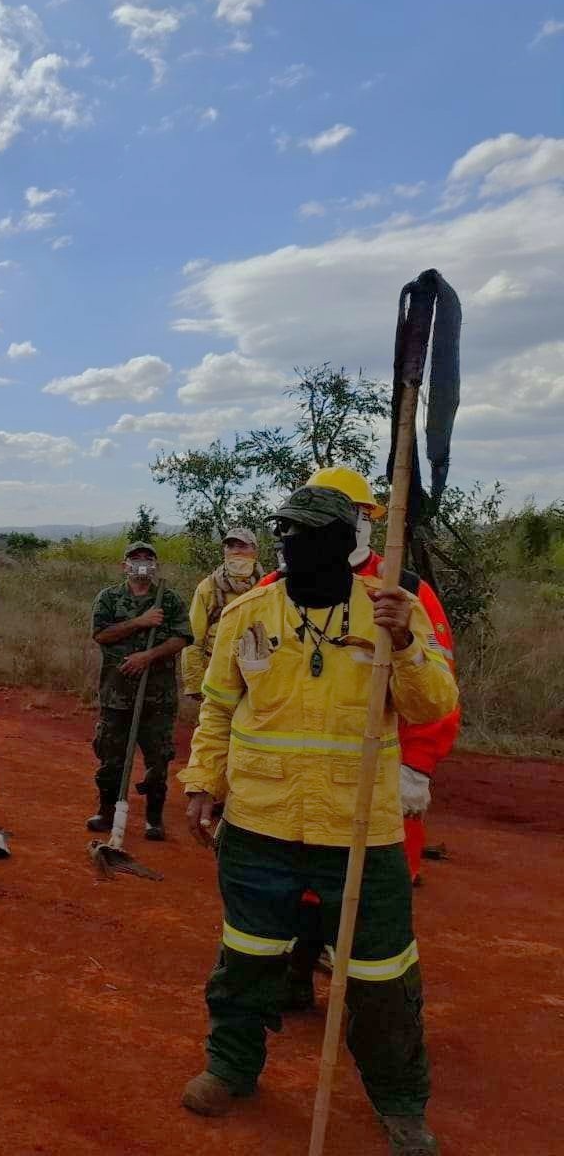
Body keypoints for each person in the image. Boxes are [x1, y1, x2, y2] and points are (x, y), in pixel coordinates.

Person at [178, 486, 457, 1156]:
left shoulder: (392, 611)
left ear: (345, 540)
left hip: (360, 831)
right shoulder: (249, 613)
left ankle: (400, 1105)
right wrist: (201, 784)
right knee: (246, 958)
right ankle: (232, 1067)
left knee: (383, 976)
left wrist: (407, 645)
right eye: (287, 534)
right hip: (260, 824)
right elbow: (218, 711)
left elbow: (431, 706)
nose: (294, 546)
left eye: (310, 535)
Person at [88, 540, 193, 841]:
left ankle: (153, 819)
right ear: (125, 565)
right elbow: (101, 634)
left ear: (155, 565)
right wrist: (140, 622)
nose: (142, 563)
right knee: (111, 759)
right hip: (116, 695)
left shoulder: (169, 600)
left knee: (158, 760)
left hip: (157, 697)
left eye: (148, 559)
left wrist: (147, 656)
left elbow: (182, 638)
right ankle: (106, 813)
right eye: (136, 559)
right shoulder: (108, 598)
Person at [183, 527, 264, 700]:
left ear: (255, 551)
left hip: (260, 674)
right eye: (230, 546)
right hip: (217, 673)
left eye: (242, 546)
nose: (235, 551)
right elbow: (193, 640)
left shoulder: (268, 586)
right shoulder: (208, 587)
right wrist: (194, 683)